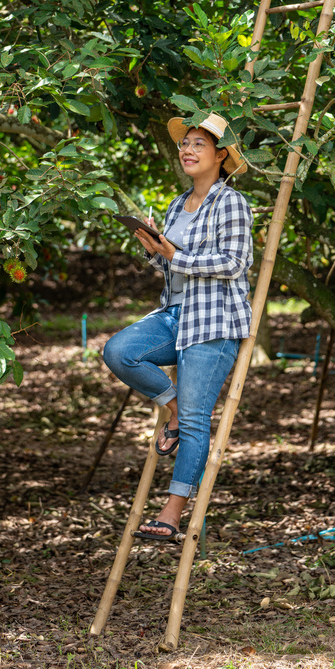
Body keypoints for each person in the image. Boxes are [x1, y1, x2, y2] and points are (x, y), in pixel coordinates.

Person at [103, 113, 253, 541]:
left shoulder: (231, 203)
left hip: (215, 320)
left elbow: (235, 262)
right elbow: (171, 267)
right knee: (119, 351)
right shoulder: (176, 203)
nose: (187, 150)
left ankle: (171, 513)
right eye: (184, 143)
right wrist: (153, 247)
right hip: (176, 313)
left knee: (195, 418)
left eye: (198, 145)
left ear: (221, 156)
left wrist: (174, 254)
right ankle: (169, 408)